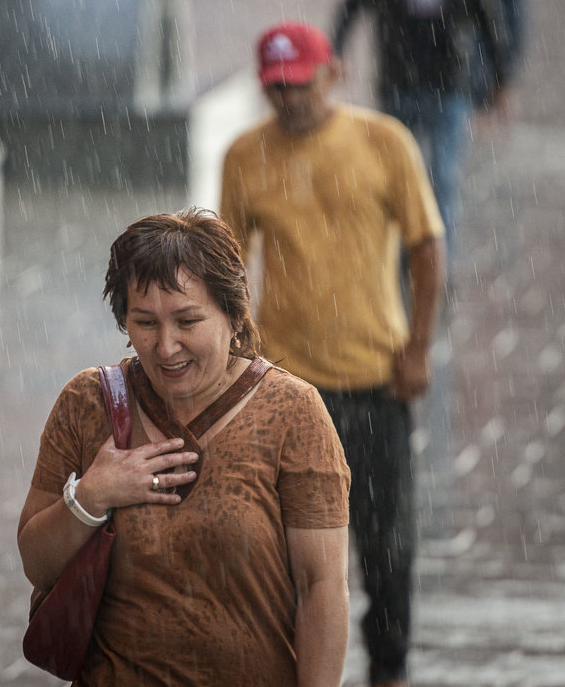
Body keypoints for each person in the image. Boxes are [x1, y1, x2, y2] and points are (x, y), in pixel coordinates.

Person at [18, 208, 352, 686]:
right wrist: (91, 498)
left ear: (234, 317)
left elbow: (322, 588)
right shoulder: (87, 402)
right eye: (145, 322)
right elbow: (37, 564)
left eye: (187, 320)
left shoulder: (292, 412)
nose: (166, 346)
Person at [220, 22, 445, 687]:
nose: (289, 99)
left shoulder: (384, 142)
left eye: (300, 83)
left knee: (386, 545)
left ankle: (389, 666)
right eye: (275, 88)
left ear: (334, 73)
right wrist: (236, 367)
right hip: (287, 388)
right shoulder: (243, 156)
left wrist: (419, 349)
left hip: (374, 378)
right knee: (290, 549)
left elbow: (427, 247)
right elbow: (228, 269)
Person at [332, 0, 507, 258]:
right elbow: (350, 7)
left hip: (450, 87)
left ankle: (439, 258)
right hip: (399, 85)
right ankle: (396, 257)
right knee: (395, 176)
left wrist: (500, 81)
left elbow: (491, 25)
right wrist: (337, 52)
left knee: (443, 175)